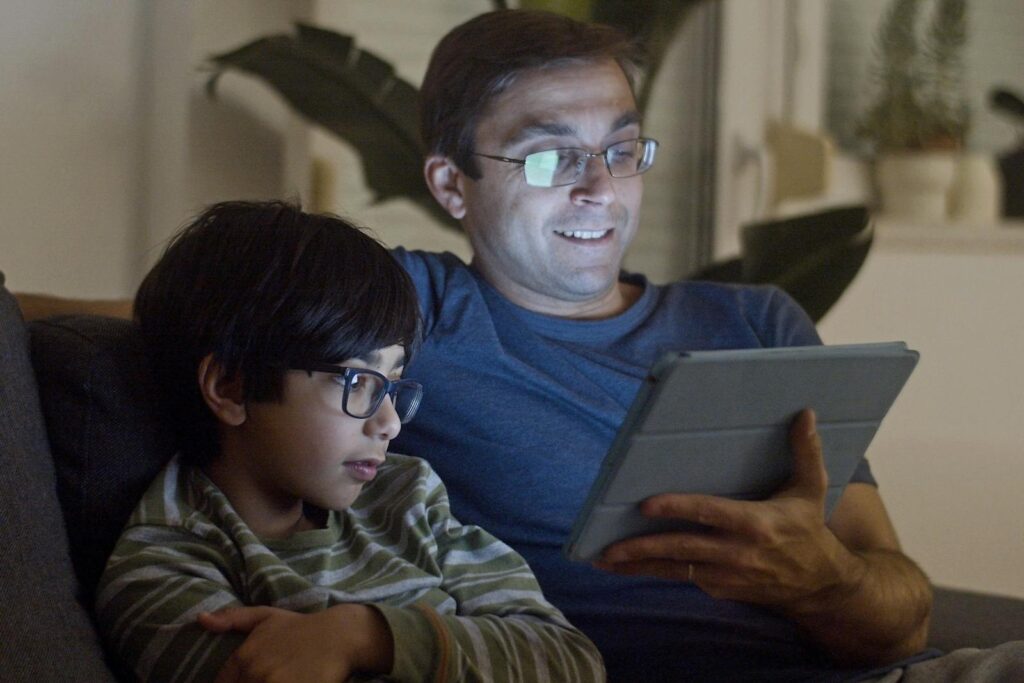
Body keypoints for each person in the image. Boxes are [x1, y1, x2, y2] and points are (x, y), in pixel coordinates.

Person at [384, 9, 1023, 682]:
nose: (602, 189)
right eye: (552, 157)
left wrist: (824, 581)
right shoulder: (413, 308)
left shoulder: (757, 323)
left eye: (622, 150)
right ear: (452, 184)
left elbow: (902, 623)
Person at [94, 201, 605, 682]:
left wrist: (368, 636)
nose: (390, 423)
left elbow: (568, 659)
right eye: (356, 381)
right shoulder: (163, 571)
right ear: (232, 387)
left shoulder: (406, 497)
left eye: (392, 384)